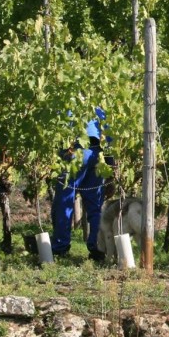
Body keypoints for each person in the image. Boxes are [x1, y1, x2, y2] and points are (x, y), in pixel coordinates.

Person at [50, 107, 111, 261]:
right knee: (95, 205)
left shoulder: (65, 102)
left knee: (65, 201)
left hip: (73, 152)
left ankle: (60, 247)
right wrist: (110, 165)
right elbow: (109, 136)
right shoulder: (99, 106)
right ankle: (98, 248)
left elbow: (54, 131)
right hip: (96, 155)